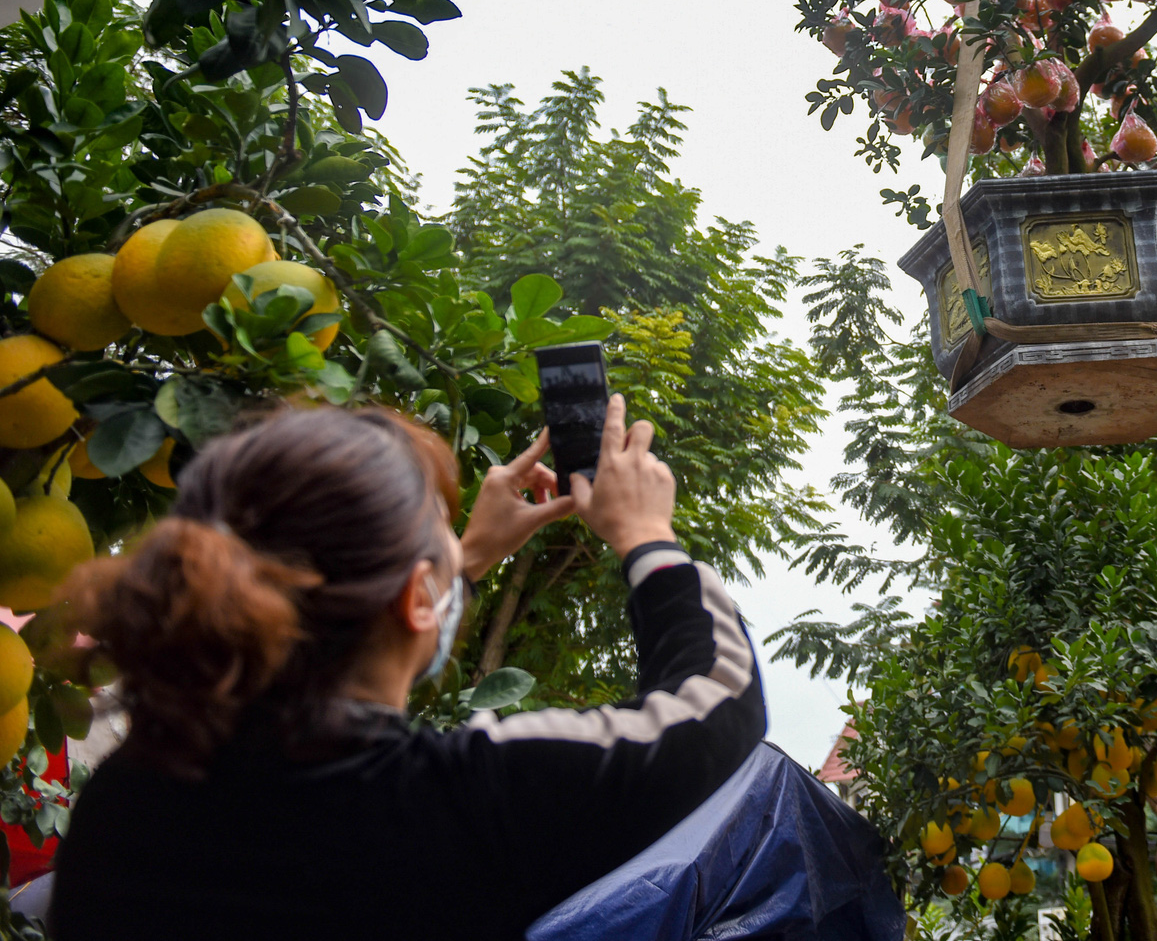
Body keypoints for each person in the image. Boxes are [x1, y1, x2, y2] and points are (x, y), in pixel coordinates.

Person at [49, 395, 765, 940]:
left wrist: (460, 560)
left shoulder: (125, 803)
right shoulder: (458, 802)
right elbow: (719, 700)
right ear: (418, 597)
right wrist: (647, 535)